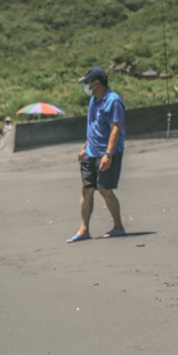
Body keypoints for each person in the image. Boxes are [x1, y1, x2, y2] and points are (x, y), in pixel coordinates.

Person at [68, 66, 126, 243]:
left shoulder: (113, 100)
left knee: (105, 189)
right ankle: (83, 229)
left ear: (96, 83)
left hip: (107, 152)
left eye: (88, 82)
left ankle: (118, 226)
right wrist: (84, 147)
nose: (86, 85)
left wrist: (108, 154)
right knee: (86, 189)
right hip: (91, 151)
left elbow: (115, 128)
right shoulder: (94, 100)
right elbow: (93, 127)